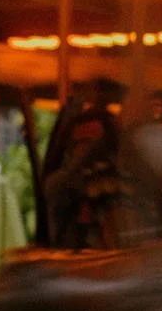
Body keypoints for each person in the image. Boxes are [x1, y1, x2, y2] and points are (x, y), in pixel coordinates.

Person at [40, 102, 123, 251]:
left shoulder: (120, 182)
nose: (83, 150)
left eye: (90, 142)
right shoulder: (60, 183)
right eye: (78, 143)